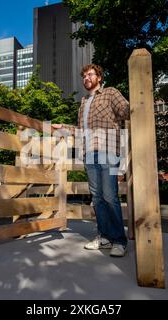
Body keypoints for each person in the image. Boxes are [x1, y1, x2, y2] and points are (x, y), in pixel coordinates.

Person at [53, 64, 130, 257]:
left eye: (90, 74)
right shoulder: (83, 102)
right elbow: (81, 131)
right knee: (96, 197)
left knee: (110, 196)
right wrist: (63, 127)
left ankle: (119, 240)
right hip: (89, 153)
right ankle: (104, 237)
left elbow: (127, 111)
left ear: (99, 77)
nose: (86, 78)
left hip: (109, 150)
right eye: (84, 76)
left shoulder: (110, 93)